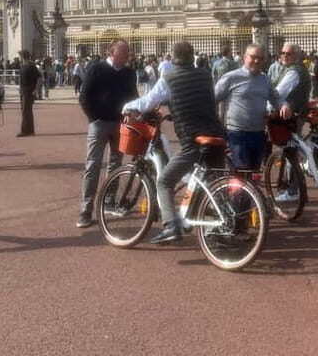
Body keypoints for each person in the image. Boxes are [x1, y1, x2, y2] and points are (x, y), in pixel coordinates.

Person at [122, 41, 223, 243]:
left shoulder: (169, 78)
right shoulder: (205, 75)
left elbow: (147, 102)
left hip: (193, 137)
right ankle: (218, 228)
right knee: (213, 181)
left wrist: (126, 107)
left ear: (173, 58)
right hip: (216, 133)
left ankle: (170, 226)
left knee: (164, 181)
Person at [76, 39, 138, 228]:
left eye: (127, 51)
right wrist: (93, 117)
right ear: (110, 53)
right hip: (99, 123)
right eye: (123, 52)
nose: (127, 55)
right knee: (92, 166)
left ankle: (109, 200)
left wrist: (135, 112)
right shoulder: (96, 68)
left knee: (115, 164)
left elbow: (134, 96)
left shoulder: (129, 73)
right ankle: (86, 209)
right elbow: (84, 96)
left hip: (120, 123)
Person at [214, 43, 282, 171]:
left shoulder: (265, 79)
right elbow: (213, 98)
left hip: (259, 133)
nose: (257, 61)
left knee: (254, 172)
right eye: (253, 57)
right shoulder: (232, 77)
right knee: (242, 173)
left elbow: (275, 98)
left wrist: (284, 106)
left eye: (261, 58)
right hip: (238, 133)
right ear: (245, 57)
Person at [270, 43, 311, 202]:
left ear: (297, 56)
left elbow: (278, 93)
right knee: (291, 151)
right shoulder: (289, 68)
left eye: (289, 53)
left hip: (291, 117)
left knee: (291, 153)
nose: (285, 55)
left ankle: (293, 191)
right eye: (283, 52)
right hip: (295, 114)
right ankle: (294, 188)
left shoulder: (294, 72)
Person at [17, 49, 41, 137]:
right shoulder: (23, 66)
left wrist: (36, 90)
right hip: (23, 91)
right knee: (27, 111)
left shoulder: (31, 66)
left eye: (20, 56)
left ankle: (24, 130)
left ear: (23, 56)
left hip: (28, 91)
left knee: (25, 111)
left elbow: (39, 78)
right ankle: (30, 130)